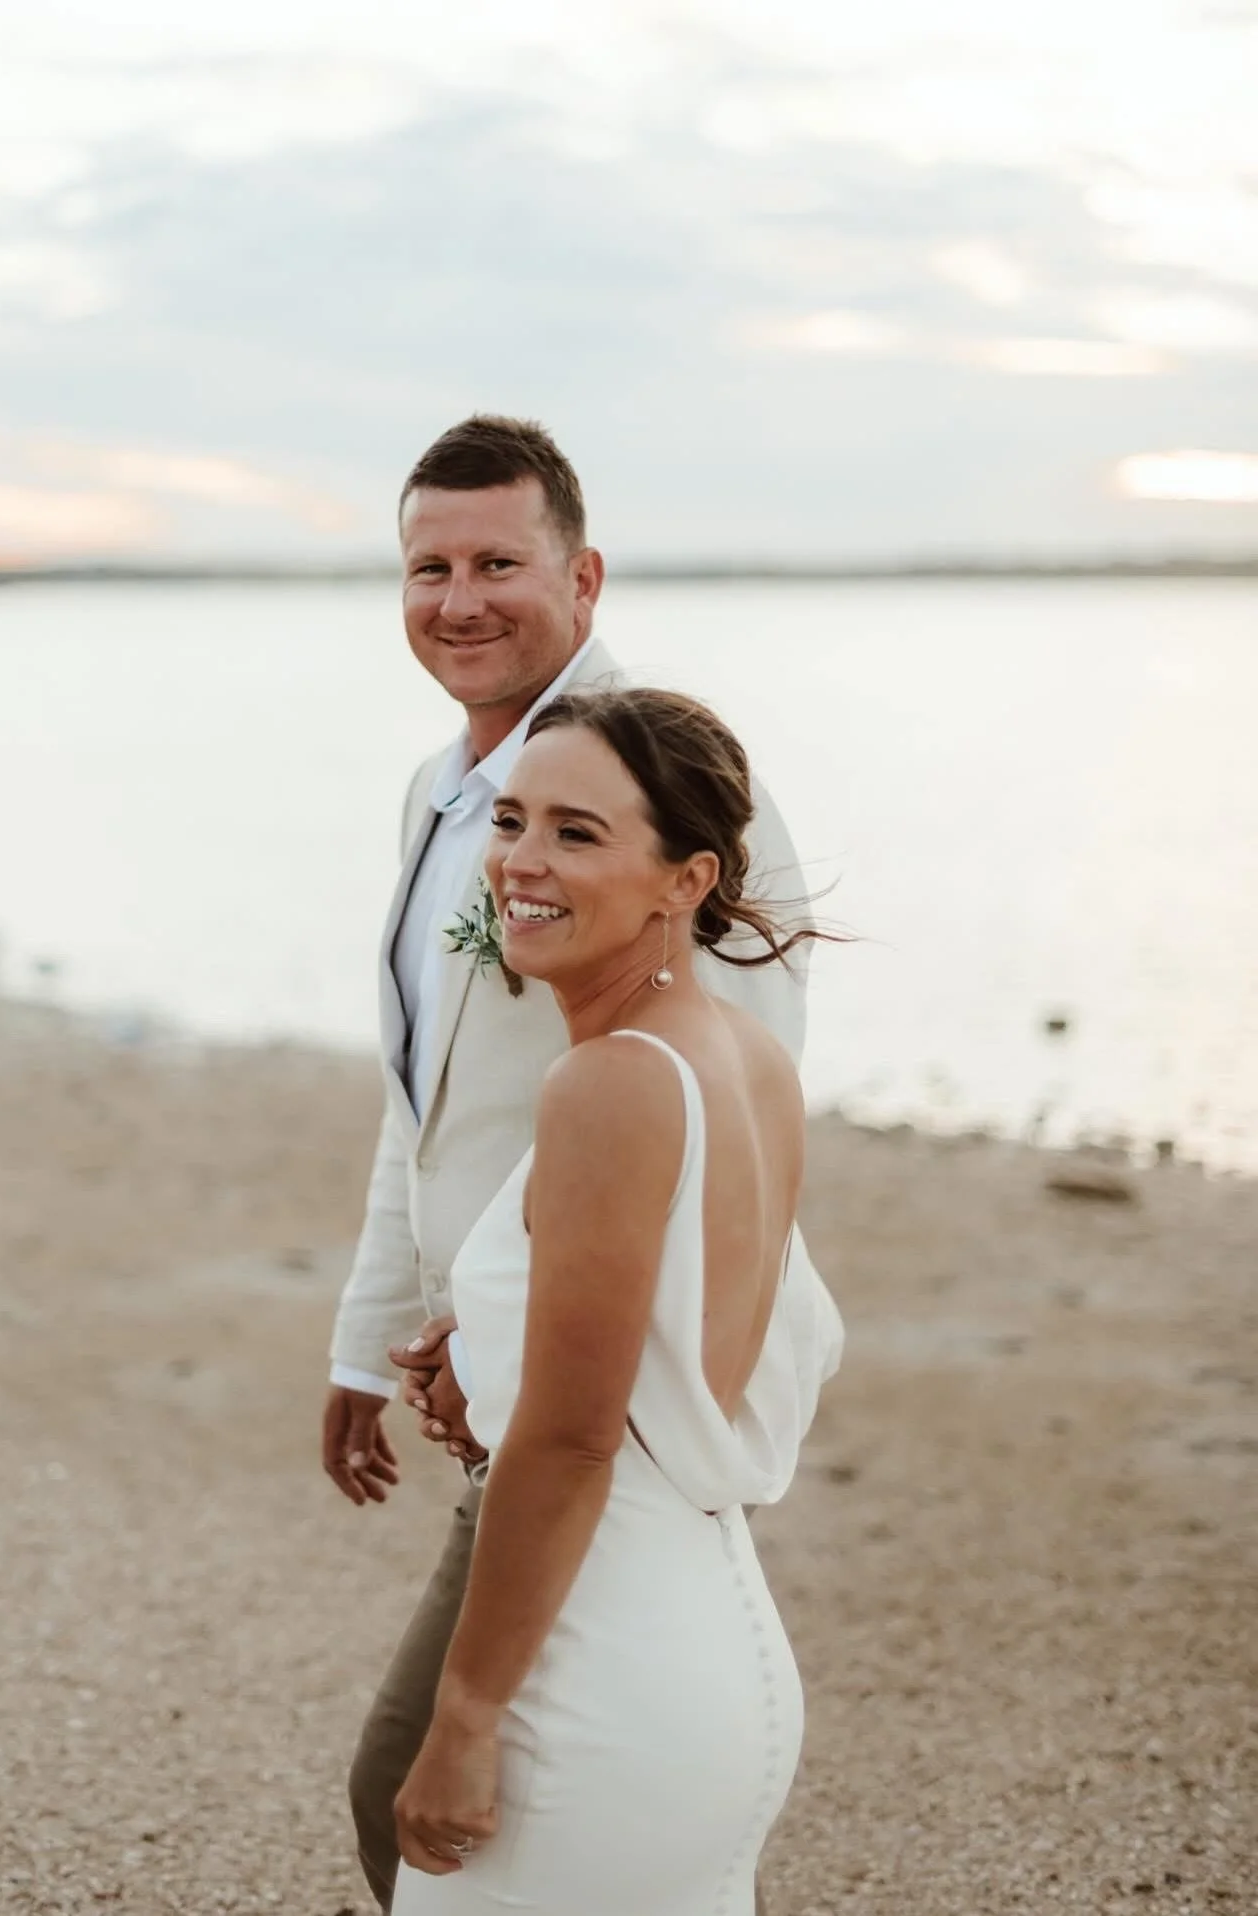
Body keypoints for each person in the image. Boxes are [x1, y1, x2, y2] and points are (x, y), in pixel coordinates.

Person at [323, 415, 842, 1912]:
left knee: (419, 1790)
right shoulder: (444, 798)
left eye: (499, 561)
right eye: (429, 567)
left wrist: (532, 1341)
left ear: (585, 576)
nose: (460, 598)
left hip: (586, 1391)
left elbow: (723, 1119)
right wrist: (381, 1335)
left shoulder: (666, 788)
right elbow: (413, 1101)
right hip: (502, 1352)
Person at [390, 685, 825, 1912]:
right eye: (513, 819)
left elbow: (579, 1439)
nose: (521, 861)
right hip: (712, 1633)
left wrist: (467, 1713)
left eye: (578, 833)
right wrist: (490, 1357)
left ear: (685, 880)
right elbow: (695, 1362)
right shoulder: (750, 1061)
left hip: (593, 1677)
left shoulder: (611, 1085)